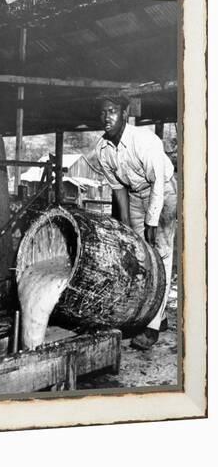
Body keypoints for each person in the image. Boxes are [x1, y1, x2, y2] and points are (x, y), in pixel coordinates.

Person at [95, 94, 177, 350]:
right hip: (134, 195)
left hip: (163, 192)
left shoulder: (144, 140)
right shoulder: (102, 149)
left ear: (124, 112)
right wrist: (128, 226)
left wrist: (152, 221)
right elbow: (118, 189)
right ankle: (158, 315)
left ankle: (151, 329)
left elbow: (157, 185)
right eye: (103, 112)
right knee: (141, 255)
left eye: (112, 111)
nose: (107, 117)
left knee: (161, 254)